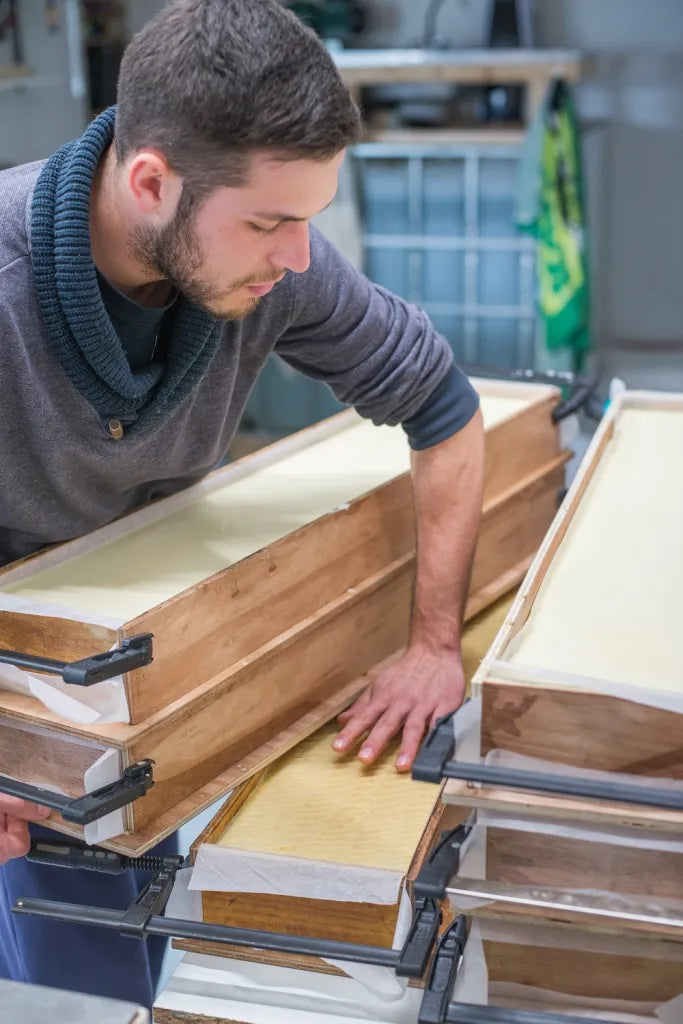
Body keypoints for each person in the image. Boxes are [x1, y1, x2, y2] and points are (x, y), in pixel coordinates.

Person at [0, 0, 484, 1008]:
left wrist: (432, 644)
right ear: (150, 182)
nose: (298, 256)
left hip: (143, 655)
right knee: (66, 968)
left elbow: (444, 409)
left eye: (306, 217)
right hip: (27, 675)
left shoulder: (275, 269)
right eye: (269, 222)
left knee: (123, 926)